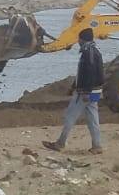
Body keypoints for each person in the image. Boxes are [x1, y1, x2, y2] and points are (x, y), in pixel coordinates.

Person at [42, 27, 103, 155]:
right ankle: (97, 146)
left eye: (79, 39)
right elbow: (83, 73)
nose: (78, 41)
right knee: (93, 119)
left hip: (84, 93)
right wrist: (73, 86)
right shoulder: (95, 51)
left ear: (82, 39)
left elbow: (90, 72)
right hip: (95, 92)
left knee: (70, 116)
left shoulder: (88, 52)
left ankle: (60, 144)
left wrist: (85, 91)